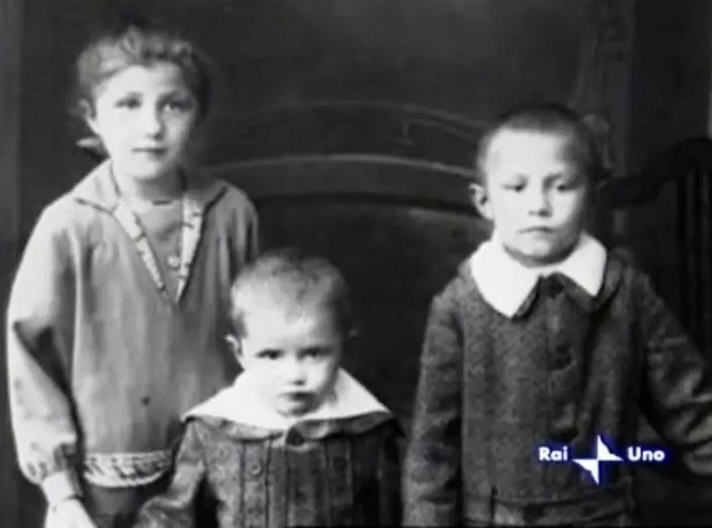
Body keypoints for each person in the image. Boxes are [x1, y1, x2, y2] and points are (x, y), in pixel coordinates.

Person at [403, 102, 712, 526]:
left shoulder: (628, 294)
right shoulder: (460, 305)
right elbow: (432, 447)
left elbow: (691, 409)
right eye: (516, 187)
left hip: (606, 515)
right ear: (484, 201)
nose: (539, 206)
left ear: (592, 197)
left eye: (562, 187)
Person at [6, 21, 258, 528]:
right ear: (93, 117)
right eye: (128, 104)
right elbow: (30, 362)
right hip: (106, 494)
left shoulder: (231, 213)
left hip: (220, 475)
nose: (152, 127)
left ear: (196, 115)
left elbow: (260, 334)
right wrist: (62, 496)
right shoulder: (69, 225)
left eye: (173, 105)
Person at [135, 248, 402, 527]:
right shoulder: (212, 430)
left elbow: (391, 513)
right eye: (271, 355)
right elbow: (175, 513)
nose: (294, 375)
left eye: (314, 354)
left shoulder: (369, 428)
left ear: (345, 348)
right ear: (240, 353)